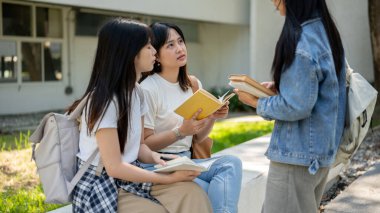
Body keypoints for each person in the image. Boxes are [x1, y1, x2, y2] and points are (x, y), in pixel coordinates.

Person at [67, 18, 212, 213]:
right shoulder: (104, 102)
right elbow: (115, 167)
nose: (154, 52)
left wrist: (159, 159)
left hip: (132, 175)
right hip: (102, 184)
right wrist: (168, 178)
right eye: (148, 46)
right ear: (130, 53)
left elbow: (140, 146)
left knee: (192, 194)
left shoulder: (137, 93)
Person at [234, 1, 346, 212]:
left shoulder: (301, 42)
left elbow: (296, 106)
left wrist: (257, 103)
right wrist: (284, 86)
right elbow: (321, 90)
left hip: (296, 158)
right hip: (317, 155)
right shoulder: (325, 32)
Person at [139, 22, 243, 213]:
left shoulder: (192, 84)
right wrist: (179, 132)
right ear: (157, 55)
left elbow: (197, 138)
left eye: (180, 41)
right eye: (170, 45)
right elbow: (144, 144)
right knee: (210, 195)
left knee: (232, 163)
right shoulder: (148, 89)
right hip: (160, 164)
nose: (179, 48)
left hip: (189, 160)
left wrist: (212, 117)